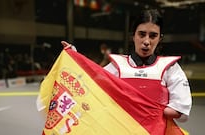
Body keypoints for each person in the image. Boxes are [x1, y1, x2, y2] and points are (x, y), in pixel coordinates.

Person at [60, 9, 192, 122]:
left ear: (160, 39)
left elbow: (179, 109)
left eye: (153, 36)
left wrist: (141, 113)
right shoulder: (117, 66)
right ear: (133, 36)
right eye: (141, 34)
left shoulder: (170, 68)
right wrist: (73, 57)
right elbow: (89, 82)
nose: (146, 41)